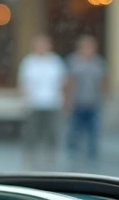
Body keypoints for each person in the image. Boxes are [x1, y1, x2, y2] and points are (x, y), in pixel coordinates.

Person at [17, 34, 68, 169]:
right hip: (34, 104)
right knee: (32, 133)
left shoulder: (55, 61)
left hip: (52, 103)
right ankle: (30, 159)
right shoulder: (29, 62)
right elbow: (24, 83)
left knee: (52, 133)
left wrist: (64, 101)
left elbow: (62, 82)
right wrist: (25, 101)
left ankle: (50, 159)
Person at [65, 34, 108, 165]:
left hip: (93, 103)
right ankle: (72, 154)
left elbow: (103, 82)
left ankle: (91, 156)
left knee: (93, 132)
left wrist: (105, 96)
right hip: (78, 103)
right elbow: (69, 82)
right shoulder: (74, 61)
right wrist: (67, 100)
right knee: (74, 129)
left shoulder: (98, 63)